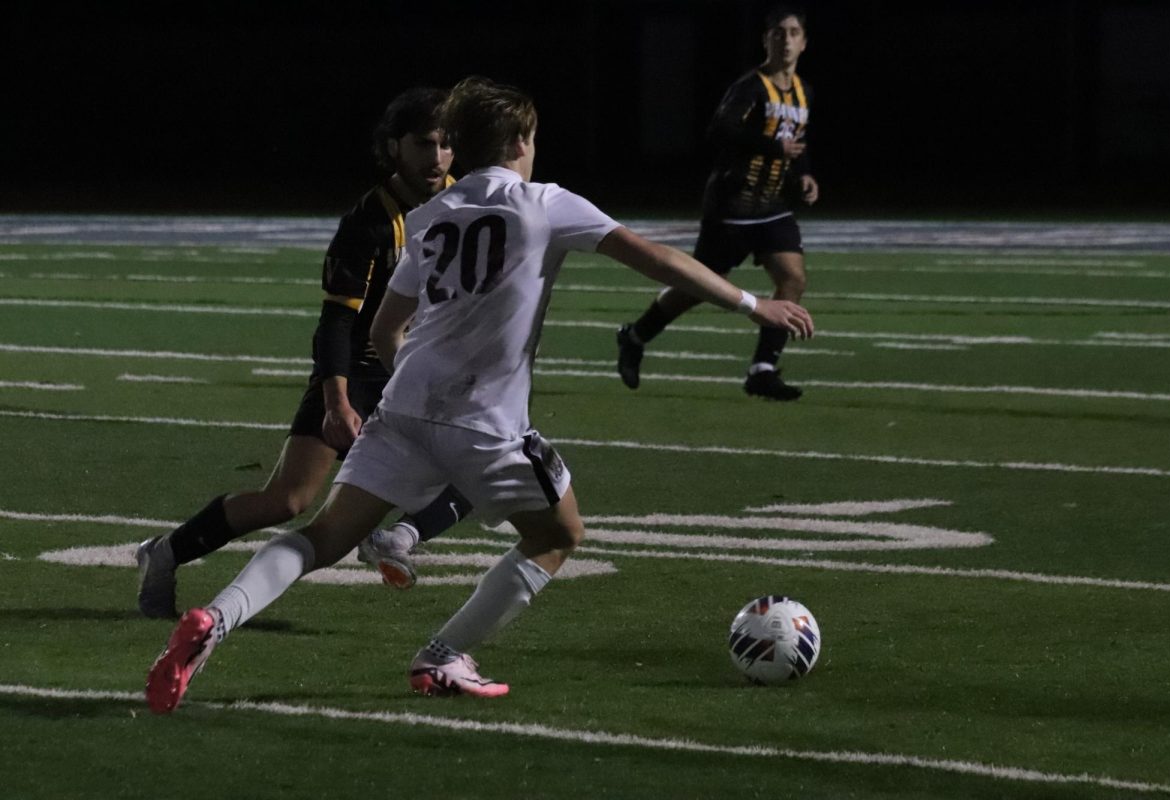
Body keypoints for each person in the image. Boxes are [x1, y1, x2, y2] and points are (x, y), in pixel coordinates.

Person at [144, 76, 814, 713]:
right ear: (520, 142)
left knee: (321, 535)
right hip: (486, 422)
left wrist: (426, 387)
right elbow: (660, 258)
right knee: (557, 534)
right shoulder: (545, 202)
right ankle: (442, 655)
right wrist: (754, 304)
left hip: (403, 406)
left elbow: (384, 328)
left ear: (458, 147)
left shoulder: (433, 212)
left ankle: (216, 617)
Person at [136, 87, 470, 619]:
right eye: (424, 144)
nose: (437, 157)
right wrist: (337, 399)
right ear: (392, 147)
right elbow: (337, 320)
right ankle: (166, 552)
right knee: (288, 501)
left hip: (420, 367)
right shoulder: (369, 220)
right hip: (359, 371)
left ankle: (399, 538)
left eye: (447, 144)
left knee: (485, 454)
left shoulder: (470, 204)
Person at [617, 4, 819, 401]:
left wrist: (806, 173)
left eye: (794, 33)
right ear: (766, 39)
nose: (786, 40)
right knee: (697, 287)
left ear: (804, 42)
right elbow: (721, 130)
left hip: (773, 205)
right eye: (778, 32)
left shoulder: (804, 92)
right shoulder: (751, 86)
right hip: (733, 206)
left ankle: (762, 369)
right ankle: (636, 336)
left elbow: (795, 142)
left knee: (792, 277)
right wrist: (772, 146)